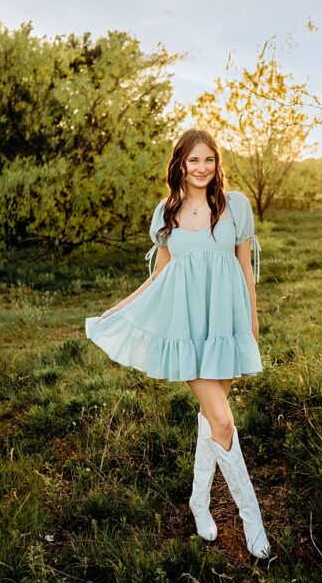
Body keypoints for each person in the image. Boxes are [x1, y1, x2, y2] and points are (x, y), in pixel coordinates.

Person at [84, 127, 269, 558]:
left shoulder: (236, 206)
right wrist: (119, 307)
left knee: (211, 419)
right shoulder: (166, 213)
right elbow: (159, 276)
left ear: (216, 163)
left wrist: (253, 324)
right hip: (186, 326)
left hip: (226, 323)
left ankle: (199, 504)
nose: (202, 168)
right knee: (222, 421)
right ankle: (251, 518)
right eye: (193, 160)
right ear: (180, 166)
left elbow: (245, 270)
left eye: (209, 160)